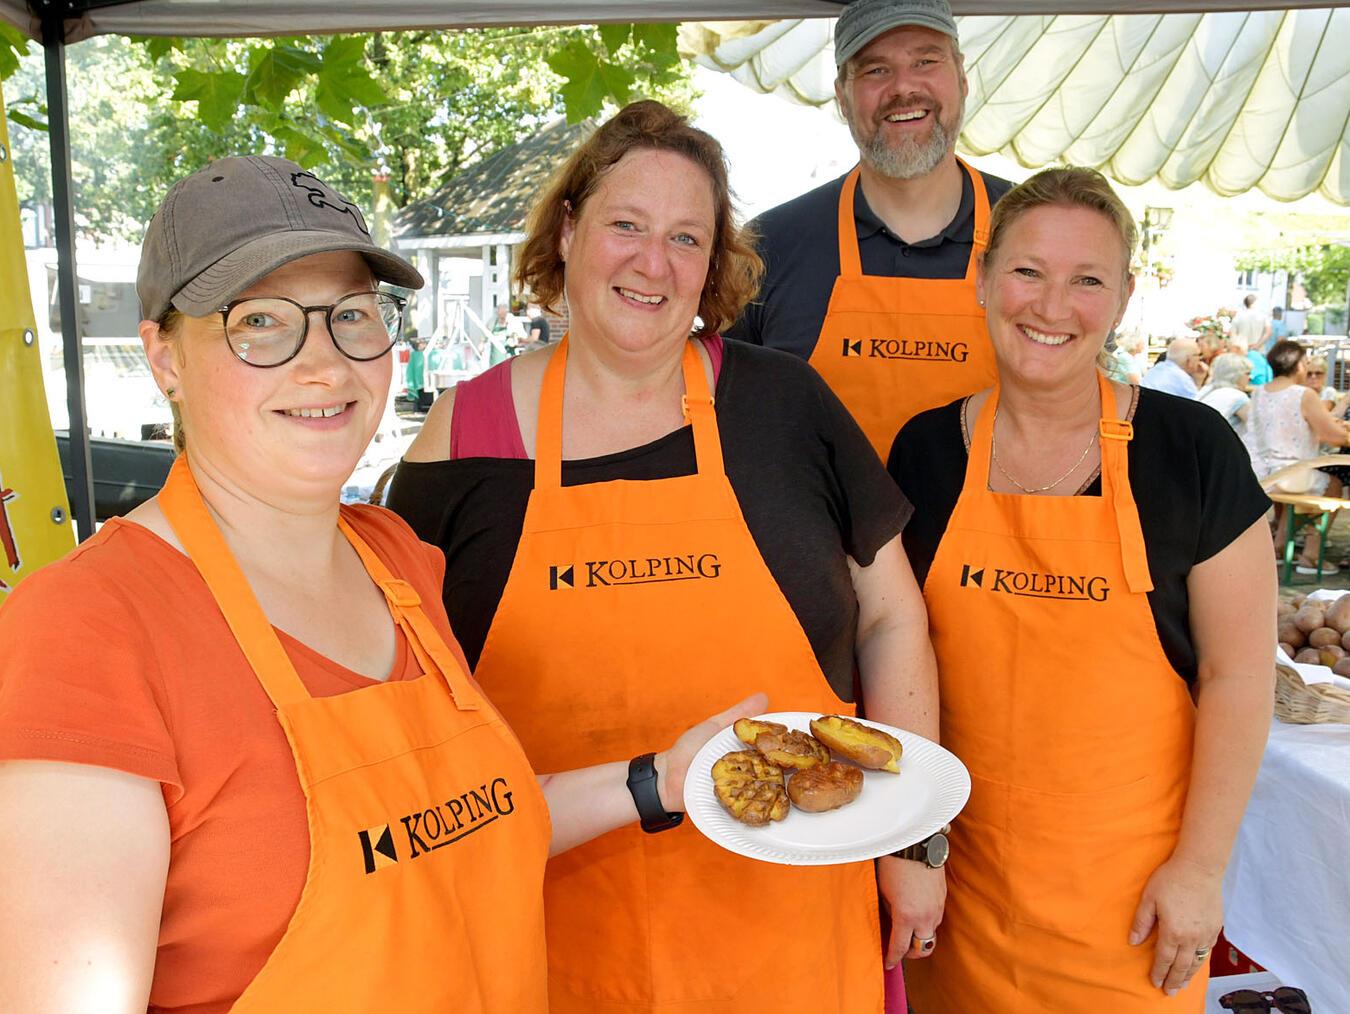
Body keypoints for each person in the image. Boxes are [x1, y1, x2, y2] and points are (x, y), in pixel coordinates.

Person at [0, 155, 758, 1011]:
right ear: (164, 357)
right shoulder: (88, 626)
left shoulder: (395, 558)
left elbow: (469, 822)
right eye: (260, 322)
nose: (325, 365)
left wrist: (662, 779)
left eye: (352, 316)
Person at [388, 100, 940, 1014]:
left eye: (687, 237)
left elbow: (891, 617)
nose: (654, 263)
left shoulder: (786, 406)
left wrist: (915, 844)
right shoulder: (465, 434)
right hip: (559, 938)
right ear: (568, 232)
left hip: (795, 931)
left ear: (712, 265)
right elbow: (406, 688)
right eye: (627, 226)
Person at [889, 166, 1274, 1011]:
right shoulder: (924, 452)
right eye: (1028, 271)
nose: (1052, 306)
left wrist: (1200, 870)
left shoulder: (1193, 452)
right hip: (959, 891)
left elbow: (1239, 676)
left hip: (1133, 907)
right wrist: (913, 850)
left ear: (1125, 297)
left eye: (1088, 280)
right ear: (984, 279)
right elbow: (895, 656)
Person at [726, 0, 1013, 456]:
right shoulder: (767, 247)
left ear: (961, 77)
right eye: (876, 70)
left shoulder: (1034, 233)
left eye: (926, 61)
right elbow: (727, 424)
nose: (904, 87)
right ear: (843, 96)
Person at [1245, 339, 1350, 573]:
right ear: (1300, 365)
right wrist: (1344, 431)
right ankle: (1311, 556)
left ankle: (1278, 547)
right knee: (1332, 485)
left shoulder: (1259, 392)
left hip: (1258, 472)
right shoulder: (1303, 394)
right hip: (1288, 475)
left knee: (1301, 487)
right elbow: (1332, 437)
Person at [1197, 352, 1253, 437]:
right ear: (1236, 375)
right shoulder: (1237, 397)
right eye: (1247, 373)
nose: (1250, 378)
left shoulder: (1206, 390)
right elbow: (1258, 427)